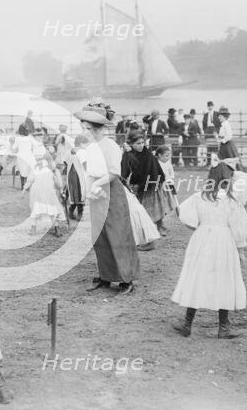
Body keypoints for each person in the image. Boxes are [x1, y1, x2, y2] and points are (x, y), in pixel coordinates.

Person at [171, 162, 247, 339]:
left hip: (202, 240)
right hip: (224, 241)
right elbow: (238, 226)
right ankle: (223, 328)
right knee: (224, 279)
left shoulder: (200, 197)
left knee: (198, 277)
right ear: (226, 180)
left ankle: (187, 324)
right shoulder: (231, 201)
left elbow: (183, 213)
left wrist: (200, 228)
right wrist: (241, 250)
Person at [76, 110, 140, 294]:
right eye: (84, 128)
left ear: (97, 128)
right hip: (97, 193)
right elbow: (88, 172)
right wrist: (89, 190)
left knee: (118, 235)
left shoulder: (110, 145)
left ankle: (127, 280)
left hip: (112, 192)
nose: (85, 132)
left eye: (87, 128)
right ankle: (106, 276)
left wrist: (97, 184)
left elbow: (114, 172)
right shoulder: (90, 147)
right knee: (100, 236)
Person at [121, 131, 169, 245]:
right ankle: (145, 231)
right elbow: (124, 172)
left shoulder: (148, 154)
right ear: (131, 144)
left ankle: (159, 226)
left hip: (152, 184)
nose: (141, 145)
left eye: (142, 143)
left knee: (154, 207)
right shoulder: (128, 156)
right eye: (138, 143)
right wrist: (128, 185)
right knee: (143, 210)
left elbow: (155, 170)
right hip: (139, 186)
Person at [22, 152, 66, 236]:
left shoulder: (37, 167)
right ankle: (57, 230)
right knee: (52, 209)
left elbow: (30, 179)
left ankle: (33, 229)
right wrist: (61, 191)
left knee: (36, 208)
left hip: (37, 191)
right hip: (48, 191)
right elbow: (59, 184)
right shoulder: (54, 170)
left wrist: (25, 188)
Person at [65, 134, 88, 221]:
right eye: (85, 144)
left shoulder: (69, 151)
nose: (86, 146)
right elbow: (85, 164)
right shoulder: (82, 152)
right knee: (80, 193)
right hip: (79, 175)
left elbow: (65, 162)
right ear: (81, 143)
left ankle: (70, 212)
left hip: (71, 175)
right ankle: (80, 214)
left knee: (73, 194)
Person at [156, 145, 177, 222]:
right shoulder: (157, 163)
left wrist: (171, 178)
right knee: (162, 199)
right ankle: (161, 212)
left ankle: (173, 209)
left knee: (172, 198)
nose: (168, 158)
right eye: (166, 156)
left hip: (169, 182)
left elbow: (171, 172)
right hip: (161, 184)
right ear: (159, 155)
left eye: (169, 156)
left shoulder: (168, 163)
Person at [202, 101, 221, 166]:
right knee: (209, 148)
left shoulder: (217, 114)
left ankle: (215, 162)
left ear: (213, 106)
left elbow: (219, 124)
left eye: (211, 106)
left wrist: (217, 132)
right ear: (207, 107)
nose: (210, 107)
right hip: (208, 131)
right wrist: (205, 132)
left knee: (215, 148)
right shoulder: (205, 115)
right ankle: (208, 162)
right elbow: (204, 125)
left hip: (214, 131)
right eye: (209, 106)